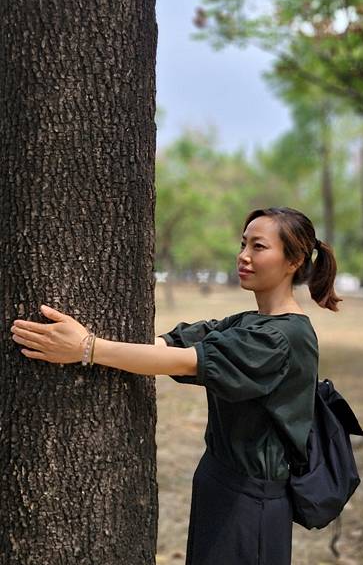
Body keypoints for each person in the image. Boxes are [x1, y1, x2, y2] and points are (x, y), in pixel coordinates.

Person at [10, 206, 342, 565]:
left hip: (251, 502)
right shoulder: (250, 322)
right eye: (243, 243)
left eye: (258, 247)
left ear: (293, 260)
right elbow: (177, 344)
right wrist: (111, 346)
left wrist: (87, 348)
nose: (243, 256)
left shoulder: (282, 338)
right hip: (221, 486)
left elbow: (187, 361)